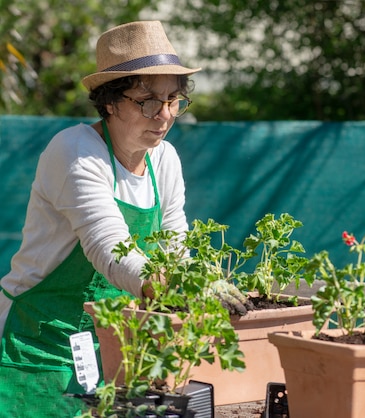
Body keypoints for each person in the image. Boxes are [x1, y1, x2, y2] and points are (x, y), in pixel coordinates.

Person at [0, 21, 245, 416]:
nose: (164, 115)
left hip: (116, 344)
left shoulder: (163, 159)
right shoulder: (76, 151)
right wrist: (186, 288)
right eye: (147, 101)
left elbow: (175, 246)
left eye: (173, 100)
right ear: (110, 101)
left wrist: (203, 278)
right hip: (41, 342)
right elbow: (110, 249)